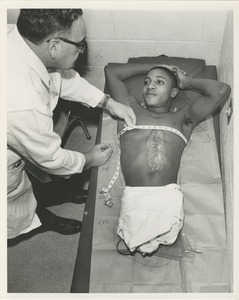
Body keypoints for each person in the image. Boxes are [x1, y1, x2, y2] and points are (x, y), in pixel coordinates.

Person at [7, 9, 136, 240]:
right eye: (79, 44)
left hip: (20, 127)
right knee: (16, 207)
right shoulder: (21, 100)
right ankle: (43, 222)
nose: (82, 49)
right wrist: (89, 159)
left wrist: (107, 102)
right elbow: (51, 158)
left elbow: (61, 78)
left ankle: (56, 195)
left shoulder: (27, 44)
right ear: (54, 46)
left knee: (42, 179)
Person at [104, 62, 231, 254]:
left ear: (173, 92)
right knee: (134, 235)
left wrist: (187, 83)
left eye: (159, 82)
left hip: (166, 200)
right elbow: (111, 72)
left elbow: (221, 90)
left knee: (161, 233)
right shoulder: (129, 110)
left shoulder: (183, 118)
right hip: (134, 199)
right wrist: (156, 66)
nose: (150, 86)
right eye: (146, 82)